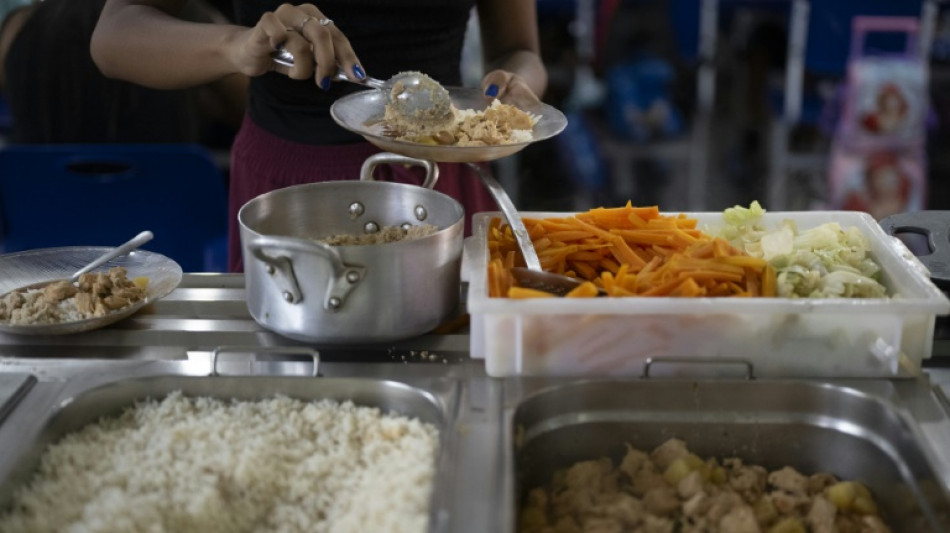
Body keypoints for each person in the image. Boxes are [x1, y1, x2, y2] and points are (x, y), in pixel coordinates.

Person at [91, 1, 548, 272]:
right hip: (287, 194)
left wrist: (516, 87)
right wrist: (234, 45)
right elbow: (115, 34)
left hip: (441, 177)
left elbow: (520, 50)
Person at [1, 0, 246, 145]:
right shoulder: (192, 25)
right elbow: (254, 107)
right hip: (166, 208)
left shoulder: (18, 29)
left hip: (40, 208)